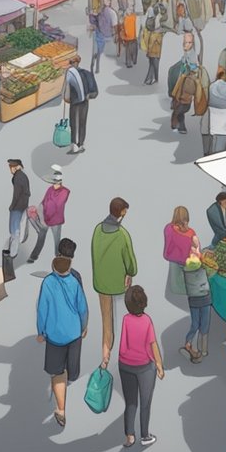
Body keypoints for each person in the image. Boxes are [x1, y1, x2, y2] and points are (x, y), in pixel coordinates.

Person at [103, 285, 163, 448]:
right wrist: (159, 364)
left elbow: (125, 343)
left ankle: (129, 436)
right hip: (145, 366)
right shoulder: (147, 320)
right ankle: (145, 435)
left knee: (130, 402)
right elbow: (153, 344)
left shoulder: (125, 319)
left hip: (126, 364)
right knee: (145, 402)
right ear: (144, 303)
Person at [36, 250, 89, 429]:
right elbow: (83, 308)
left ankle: (61, 409)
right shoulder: (75, 283)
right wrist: (83, 327)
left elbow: (42, 310)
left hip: (55, 335)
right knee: (72, 369)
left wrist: (41, 332)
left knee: (57, 372)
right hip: (74, 333)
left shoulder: (48, 283)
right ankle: (70, 380)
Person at [92, 197, 138, 353]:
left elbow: (94, 253)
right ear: (122, 212)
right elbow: (130, 259)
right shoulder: (122, 234)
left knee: (106, 320)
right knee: (122, 318)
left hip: (101, 282)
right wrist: (130, 273)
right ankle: (125, 349)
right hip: (119, 283)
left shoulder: (98, 229)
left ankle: (105, 351)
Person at [29, 165, 68, 264]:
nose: (55, 184)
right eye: (54, 182)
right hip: (45, 219)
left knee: (57, 241)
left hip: (55, 221)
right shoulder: (50, 189)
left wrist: (44, 217)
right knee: (40, 238)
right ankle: (34, 256)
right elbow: (44, 201)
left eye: (57, 182)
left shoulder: (65, 192)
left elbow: (56, 205)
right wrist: (39, 213)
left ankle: (59, 260)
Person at [183, 251, 212, 363]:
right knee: (204, 325)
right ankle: (203, 350)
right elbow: (212, 271)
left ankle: (188, 343)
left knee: (195, 324)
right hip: (205, 300)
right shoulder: (203, 271)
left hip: (193, 301)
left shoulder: (186, 273)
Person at [169, 59, 205, 135]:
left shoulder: (190, 79)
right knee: (179, 113)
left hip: (184, 101)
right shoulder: (188, 78)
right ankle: (180, 127)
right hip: (183, 101)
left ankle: (179, 126)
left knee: (179, 113)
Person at [63, 55, 91, 154]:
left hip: (74, 102)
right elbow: (94, 90)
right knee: (82, 123)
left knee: (74, 123)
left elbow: (66, 90)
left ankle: (75, 145)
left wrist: (66, 99)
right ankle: (81, 144)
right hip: (84, 102)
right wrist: (88, 96)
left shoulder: (69, 74)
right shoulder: (87, 73)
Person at [206, 67, 226, 155]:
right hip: (224, 115)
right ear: (225, 76)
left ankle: (212, 154)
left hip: (214, 115)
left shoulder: (211, 86)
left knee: (214, 138)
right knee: (221, 139)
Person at [5, 159, 30, 257]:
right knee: (17, 230)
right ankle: (12, 251)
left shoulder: (18, 177)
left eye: (10, 167)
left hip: (17, 207)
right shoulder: (23, 176)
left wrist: (12, 206)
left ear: (15, 167)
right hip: (23, 205)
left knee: (14, 231)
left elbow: (16, 194)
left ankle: (12, 253)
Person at [91, 0, 117, 73]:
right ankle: (99, 67)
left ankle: (96, 66)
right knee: (103, 52)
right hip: (108, 35)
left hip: (100, 34)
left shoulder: (100, 13)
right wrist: (115, 35)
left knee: (98, 51)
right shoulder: (112, 12)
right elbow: (114, 25)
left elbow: (96, 22)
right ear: (109, 3)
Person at [143, 19, 164, 85]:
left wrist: (148, 52)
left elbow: (150, 44)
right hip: (157, 53)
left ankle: (151, 80)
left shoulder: (153, 35)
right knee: (153, 66)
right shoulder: (160, 34)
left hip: (152, 53)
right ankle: (150, 80)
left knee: (153, 66)